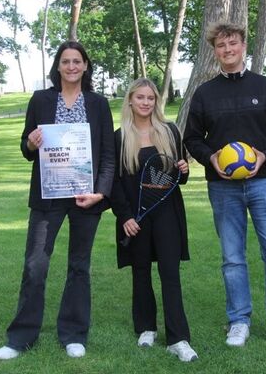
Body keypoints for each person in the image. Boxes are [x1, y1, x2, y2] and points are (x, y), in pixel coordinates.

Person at [183, 22, 266, 355]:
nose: (227, 50)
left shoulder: (265, 87)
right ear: (215, 51)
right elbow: (192, 138)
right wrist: (211, 159)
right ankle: (239, 320)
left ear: (243, 46)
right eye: (221, 45)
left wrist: (265, 155)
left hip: (264, 183)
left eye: (233, 44)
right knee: (232, 258)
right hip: (223, 189)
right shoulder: (205, 93)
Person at [0, 41, 115, 360]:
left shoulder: (98, 104)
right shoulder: (41, 100)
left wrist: (100, 192)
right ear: (57, 66)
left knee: (79, 266)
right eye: (66, 61)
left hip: (85, 197)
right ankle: (21, 337)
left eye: (78, 61)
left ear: (86, 66)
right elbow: (26, 147)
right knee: (35, 265)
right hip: (48, 197)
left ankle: (74, 333)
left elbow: (108, 155)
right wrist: (31, 144)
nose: (72, 66)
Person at [109, 78, 198, 362]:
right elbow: (115, 182)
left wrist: (183, 169)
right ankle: (146, 328)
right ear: (130, 101)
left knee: (170, 274)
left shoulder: (170, 131)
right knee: (141, 272)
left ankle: (178, 338)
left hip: (167, 213)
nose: (146, 102)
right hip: (136, 217)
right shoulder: (120, 137)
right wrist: (124, 216)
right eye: (140, 97)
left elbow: (177, 179)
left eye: (151, 98)